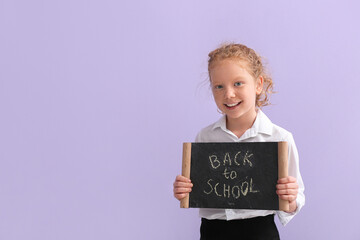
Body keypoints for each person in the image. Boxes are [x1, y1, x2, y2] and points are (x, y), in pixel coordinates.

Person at [173, 43, 305, 240]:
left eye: (238, 83)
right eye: (219, 86)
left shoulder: (279, 138)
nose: (229, 94)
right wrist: (183, 190)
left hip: (259, 231)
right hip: (213, 232)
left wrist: (291, 198)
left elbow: (295, 201)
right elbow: (197, 189)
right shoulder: (205, 138)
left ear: (258, 84)